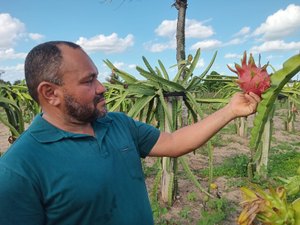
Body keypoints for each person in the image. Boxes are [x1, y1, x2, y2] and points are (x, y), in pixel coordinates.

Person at [0, 41, 261, 225]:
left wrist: (230, 111)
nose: (102, 87)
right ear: (50, 93)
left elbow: (173, 142)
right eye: (88, 80)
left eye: (97, 77)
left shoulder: (118, 124)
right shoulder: (18, 170)